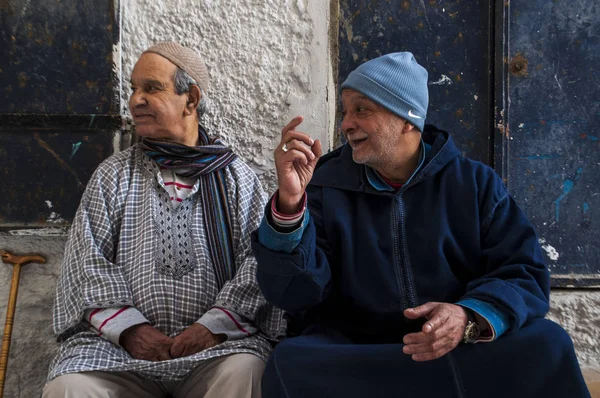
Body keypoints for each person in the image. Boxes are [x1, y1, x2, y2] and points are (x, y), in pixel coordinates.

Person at [251, 52, 590, 397]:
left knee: (548, 344)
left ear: (407, 119)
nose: (346, 124)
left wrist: (468, 317)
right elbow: (294, 295)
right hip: (364, 356)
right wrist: (290, 204)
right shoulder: (324, 187)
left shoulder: (474, 184)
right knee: (290, 362)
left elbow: (524, 272)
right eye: (345, 111)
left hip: (456, 346)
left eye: (362, 110)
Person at [42, 42, 285, 398]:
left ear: (191, 98)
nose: (135, 100)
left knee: (246, 371)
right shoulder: (114, 175)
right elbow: (87, 264)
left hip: (214, 349)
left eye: (151, 88)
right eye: (133, 89)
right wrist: (130, 330)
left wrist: (212, 327)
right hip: (118, 352)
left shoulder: (234, 177)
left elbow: (258, 261)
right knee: (70, 387)